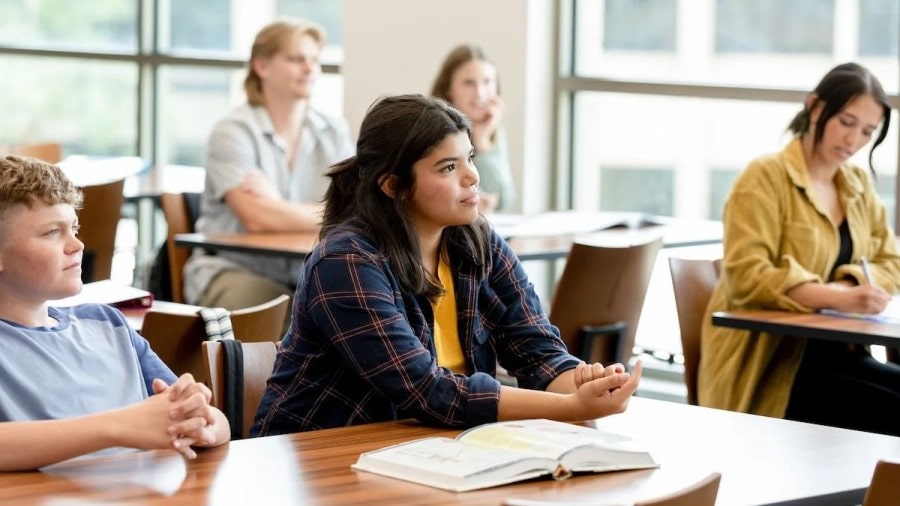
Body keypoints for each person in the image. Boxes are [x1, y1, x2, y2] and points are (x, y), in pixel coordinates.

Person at [252, 94, 642, 435]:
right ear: (393, 186)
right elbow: (425, 391)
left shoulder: (477, 240)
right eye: (448, 167)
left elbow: (537, 350)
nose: (473, 176)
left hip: (431, 451)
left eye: (469, 158)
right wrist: (572, 408)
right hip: (317, 462)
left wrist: (581, 383)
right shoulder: (345, 261)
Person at [699, 62, 900, 436]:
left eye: (868, 131)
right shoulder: (764, 178)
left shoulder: (856, 183)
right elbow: (746, 276)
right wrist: (839, 298)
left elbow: (891, 261)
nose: (853, 140)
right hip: (773, 370)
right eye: (846, 122)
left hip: (840, 356)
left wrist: (845, 288)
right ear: (815, 107)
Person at [0, 155, 230, 471]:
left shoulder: (107, 323)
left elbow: (214, 420)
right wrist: (119, 426)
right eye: (53, 232)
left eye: (74, 228)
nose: (77, 244)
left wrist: (201, 422)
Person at [184, 18, 353, 310]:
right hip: (234, 271)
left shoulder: (334, 132)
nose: (310, 68)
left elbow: (355, 213)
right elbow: (258, 218)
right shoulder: (232, 132)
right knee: (296, 314)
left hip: (306, 274)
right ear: (262, 66)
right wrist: (327, 212)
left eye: (314, 60)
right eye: (296, 59)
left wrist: (276, 203)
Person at [431, 44, 515, 213]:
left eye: (487, 82)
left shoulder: (490, 129)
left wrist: (482, 141)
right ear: (449, 89)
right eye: (469, 83)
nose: (480, 93)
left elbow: (504, 201)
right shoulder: (434, 132)